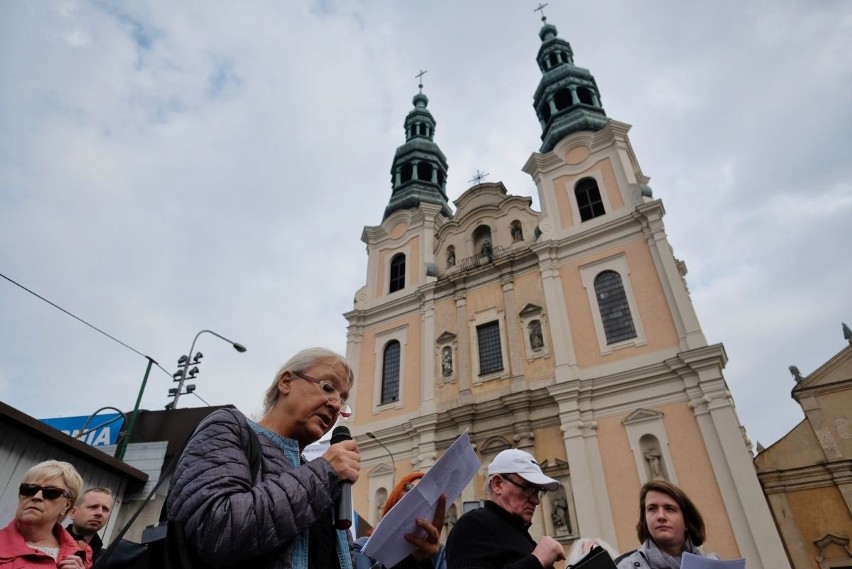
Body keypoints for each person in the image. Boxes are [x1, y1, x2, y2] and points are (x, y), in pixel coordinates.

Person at [166, 347, 445, 569]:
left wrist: (413, 559)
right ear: (286, 381)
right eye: (327, 387)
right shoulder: (228, 428)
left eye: (343, 398)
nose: (336, 404)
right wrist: (325, 472)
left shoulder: (320, 477)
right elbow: (215, 530)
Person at [445, 449, 566, 569]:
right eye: (528, 489)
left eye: (539, 491)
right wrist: (538, 559)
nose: (536, 500)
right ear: (497, 484)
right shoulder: (474, 524)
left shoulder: (520, 534)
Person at [0, 459, 91, 568]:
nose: (36, 497)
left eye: (51, 492)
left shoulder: (80, 554)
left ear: (67, 505)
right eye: (29, 489)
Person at [615, 480, 718, 569]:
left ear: (687, 521)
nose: (660, 516)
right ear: (645, 521)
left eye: (669, 509)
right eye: (652, 509)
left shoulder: (714, 564)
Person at [353, 473, 447, 569]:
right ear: (394, 501)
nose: (418, 498)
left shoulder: (442, 555)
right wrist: (411, 560)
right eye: (410, 488)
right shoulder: (362, 548)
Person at [66, 489, 112, 564]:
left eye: (105, 509)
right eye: (93, 507)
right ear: (73, 512)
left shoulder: (105, 561)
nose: (100, 513)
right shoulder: (49, 545)